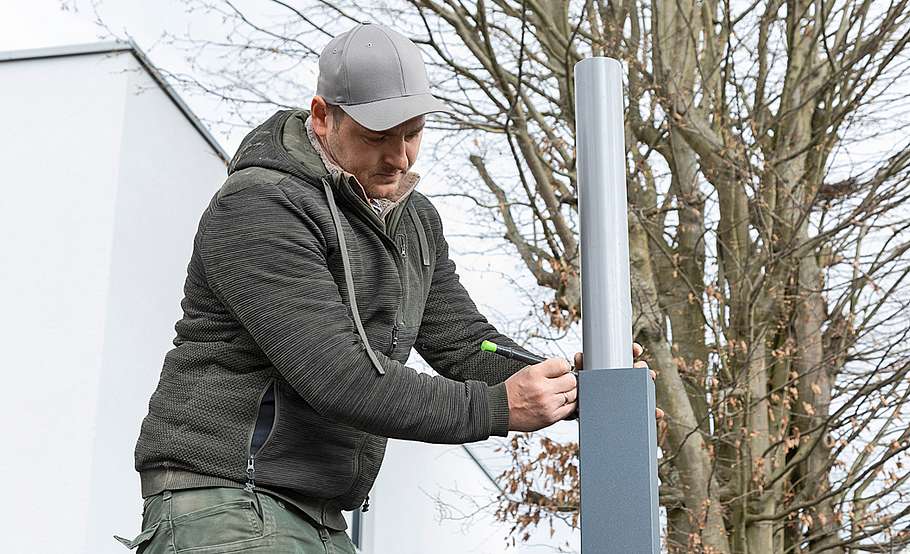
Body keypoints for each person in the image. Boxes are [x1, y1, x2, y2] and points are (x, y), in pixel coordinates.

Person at [116, 22, 658, 553]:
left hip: (320, 513)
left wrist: (572, 384)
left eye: (412, 134)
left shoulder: (413, 220)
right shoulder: (261, 205)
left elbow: (467, 344)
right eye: (378, 137)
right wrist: (496, 408)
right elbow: (339, 377)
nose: (399, 158)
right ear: (324, 117)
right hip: (228, 497)